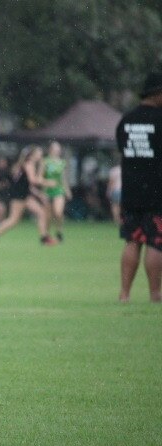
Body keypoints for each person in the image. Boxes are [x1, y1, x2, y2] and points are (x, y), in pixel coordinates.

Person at [115, 70, 162, 303]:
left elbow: (122, 150)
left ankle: (124, 294)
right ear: (157, 94)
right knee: (156, 242)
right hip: (157, 192)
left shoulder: (126, 120)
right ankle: (155, 294)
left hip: (131, 192)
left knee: (132, 241)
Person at [0, 145, 57, 245]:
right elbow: (33, 180)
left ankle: (44, 238)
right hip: (18, 195)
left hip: (25, 194)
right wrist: (48, 182)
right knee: (13, 220)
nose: (41, 154)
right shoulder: (29, 164)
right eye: (39, 152)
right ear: (33, 154)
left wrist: (39, 194)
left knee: (41, 213)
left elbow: (28, 184)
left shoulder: (29, 163)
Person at [42, 141, 72, 242]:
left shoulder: (62, 162)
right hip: (47, 191)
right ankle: (46, 235)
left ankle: (59, 230)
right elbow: (40, 177)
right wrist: (47, 183)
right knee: (48, 216)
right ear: (51, 149)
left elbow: (63, 178)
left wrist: (67, 190)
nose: (58, 150)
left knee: (58, 212)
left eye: (58, 149)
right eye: (56, 148)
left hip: (59, 190)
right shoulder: (45, 162)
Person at [106, 160, 121, 224]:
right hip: (123, 190)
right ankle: (121, 219)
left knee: (115, 206)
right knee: (121, 206)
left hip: (116, 190)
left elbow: (111, 182)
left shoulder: (114, 170)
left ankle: (116, 219)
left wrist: (108, 191)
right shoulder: (125, 169)